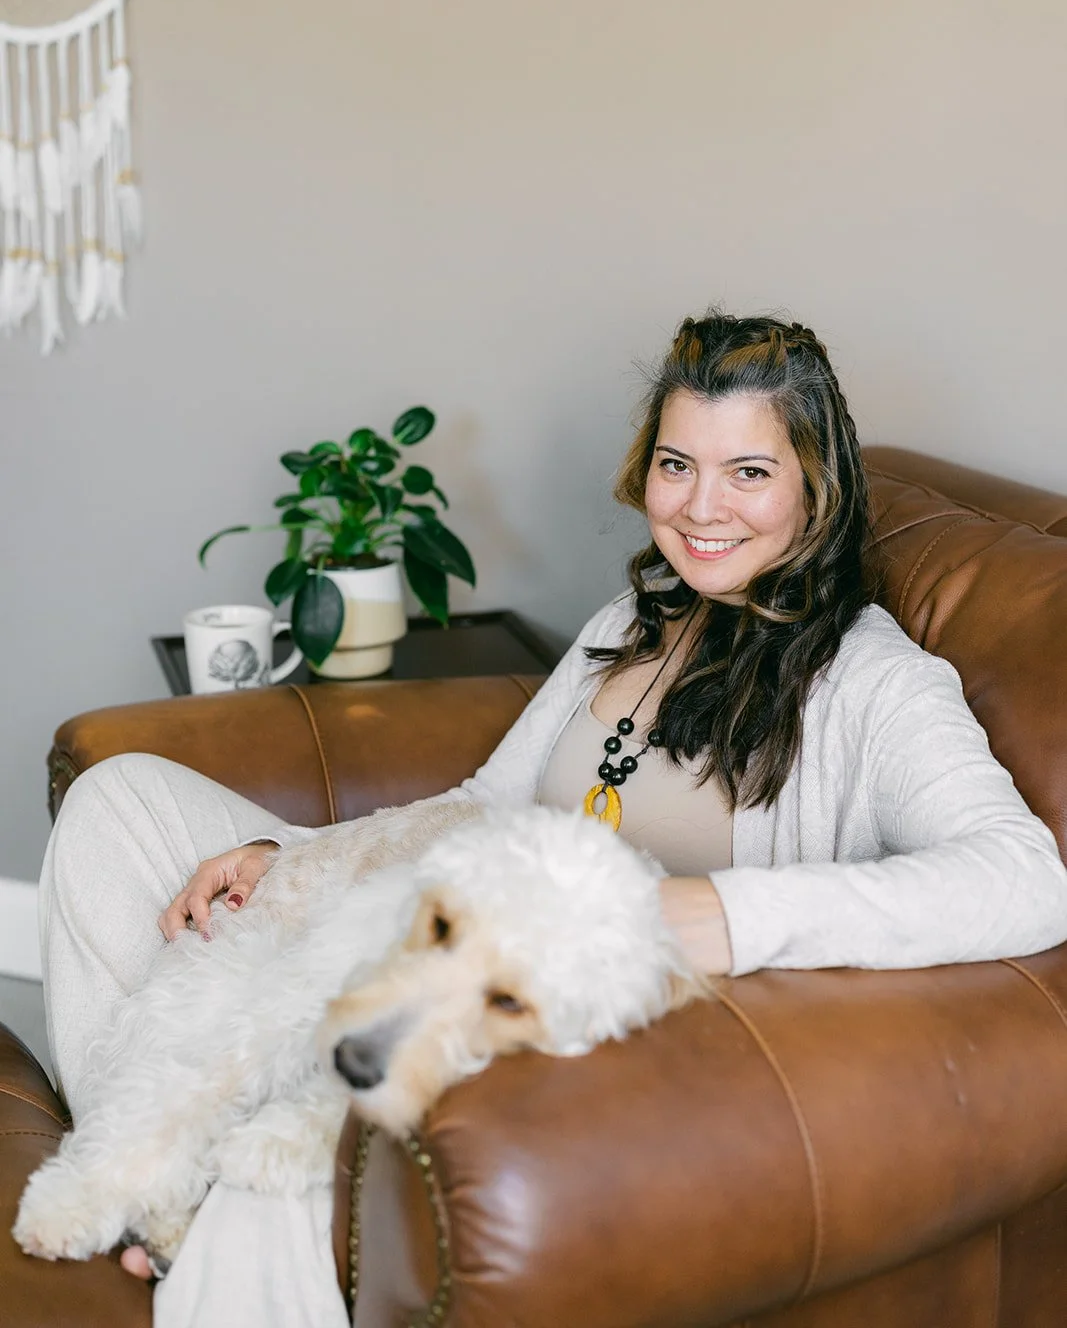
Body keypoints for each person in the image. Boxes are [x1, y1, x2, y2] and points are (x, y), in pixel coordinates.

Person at [39, 310, 1067, 1326]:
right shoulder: (634, 617)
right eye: (676, 464)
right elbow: (485, 806)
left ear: (815, 484)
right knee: (119, 801)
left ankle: (176, 1196)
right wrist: (295, 859)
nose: (701, 505)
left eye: (748, 472)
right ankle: (147, 1166)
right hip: (436, 923)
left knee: (296, 1113)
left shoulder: (872, 683)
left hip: (529, 1018)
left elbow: (1022, 875)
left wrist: (721, 913)